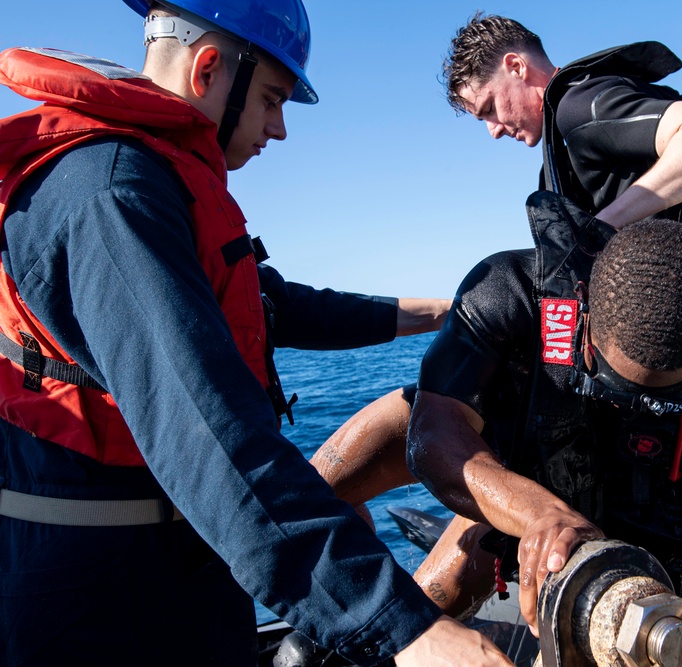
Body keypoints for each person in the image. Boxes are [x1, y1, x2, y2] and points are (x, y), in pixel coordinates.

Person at [0, 2, 511, 665]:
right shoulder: (114, 198)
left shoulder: (157, 184)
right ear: (209, 68)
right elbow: (208, 436)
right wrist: (409, 629)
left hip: (177, 565)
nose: (279, 128)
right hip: (103, 600)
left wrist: (444, 311)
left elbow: (280, 306)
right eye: (273, 99)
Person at [310, 12, 682, 518]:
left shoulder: (577, 106)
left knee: (424, 412)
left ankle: (311, 508)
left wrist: (599, 228)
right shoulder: (562, 146)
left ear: (516, 66)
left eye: (489, 108)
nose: (493, 131)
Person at [406, 196, 682, 665]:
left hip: (627, 563)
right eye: (617, 387)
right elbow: (432, 436)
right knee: (395, 415)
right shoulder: (511, 291)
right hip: (516, 491)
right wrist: (541, 514)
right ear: (584, 320)